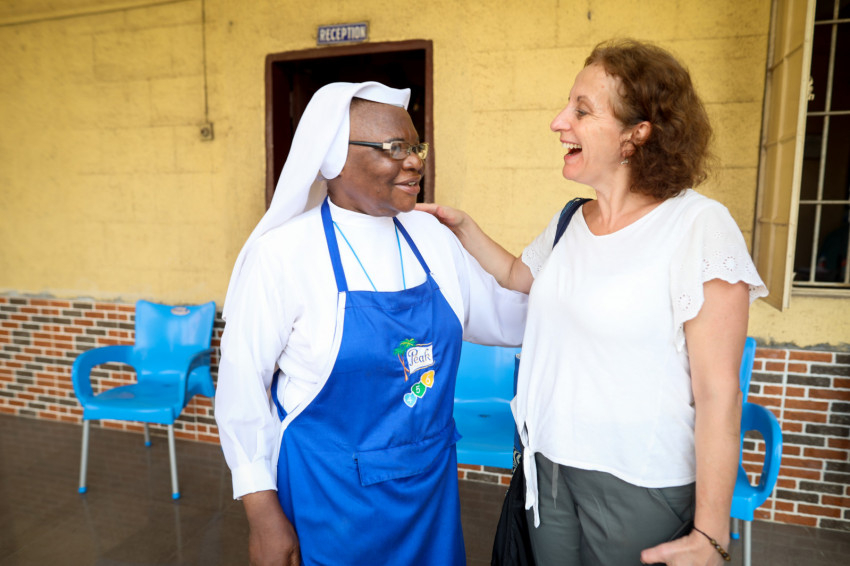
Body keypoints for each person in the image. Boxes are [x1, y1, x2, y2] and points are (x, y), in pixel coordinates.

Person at [418, 39, 768, 566]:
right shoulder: (572, 221)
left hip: (638, 482)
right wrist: (462, 227)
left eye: (581, 111)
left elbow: (719, 393)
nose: (558, 122)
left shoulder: (699, 227)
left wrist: (711, 534)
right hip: (547, 467)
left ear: (637, 134)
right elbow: (516, 275)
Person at [215, 81, 527, 566]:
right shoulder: (281, 255)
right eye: (395, 148)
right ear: (335, 159)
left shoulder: (432, 236)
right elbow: (241, 389)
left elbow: (510, 321)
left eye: (417, 147)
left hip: (428, 493)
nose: (415, 162)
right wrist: (262, 513)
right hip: (329, 497)